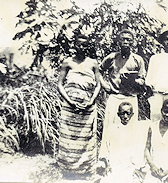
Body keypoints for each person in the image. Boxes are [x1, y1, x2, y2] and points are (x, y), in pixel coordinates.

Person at [57, 34, 101, 176]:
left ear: (88, 46)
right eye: (79, 44)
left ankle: (86, 170)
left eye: (85, 45)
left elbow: (98, 85)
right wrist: (70, 102)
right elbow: (60, 85)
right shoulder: (67, 62)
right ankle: (68, 170)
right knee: (69, 137)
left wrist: (90, 101)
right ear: (74, 45)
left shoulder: (93, 63)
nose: (81, 47)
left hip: (87, 108)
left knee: (85, 138)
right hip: (70, 108)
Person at [99, 29, 146, 129]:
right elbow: (98, 71)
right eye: (123, 39)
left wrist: (136, 81)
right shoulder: (112, 57)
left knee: (130, 129)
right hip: (115, 97)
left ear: (133, 42)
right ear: (118, 42)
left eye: (128, 40)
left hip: (131, 97)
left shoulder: (138, 59)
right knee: (111, 127)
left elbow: (142, 79)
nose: (125, 42)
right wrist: (104, 85)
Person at [99, 102, 149, 183]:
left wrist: (137, 168)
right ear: (118, 114)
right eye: (122, 113)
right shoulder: (111, 129)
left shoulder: (137, 131)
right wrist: (107, 165)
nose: (125, 116)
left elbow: (139, 152)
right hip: (114, 167)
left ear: (132, 114)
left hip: (130, 169)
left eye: (128, 113)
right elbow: (105, 149)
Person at [144, 99, 168, 183]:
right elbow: (147, 149)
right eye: (165, 111)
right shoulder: (152, 126)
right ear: (161, 110)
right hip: (155, 168)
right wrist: (152, 166)